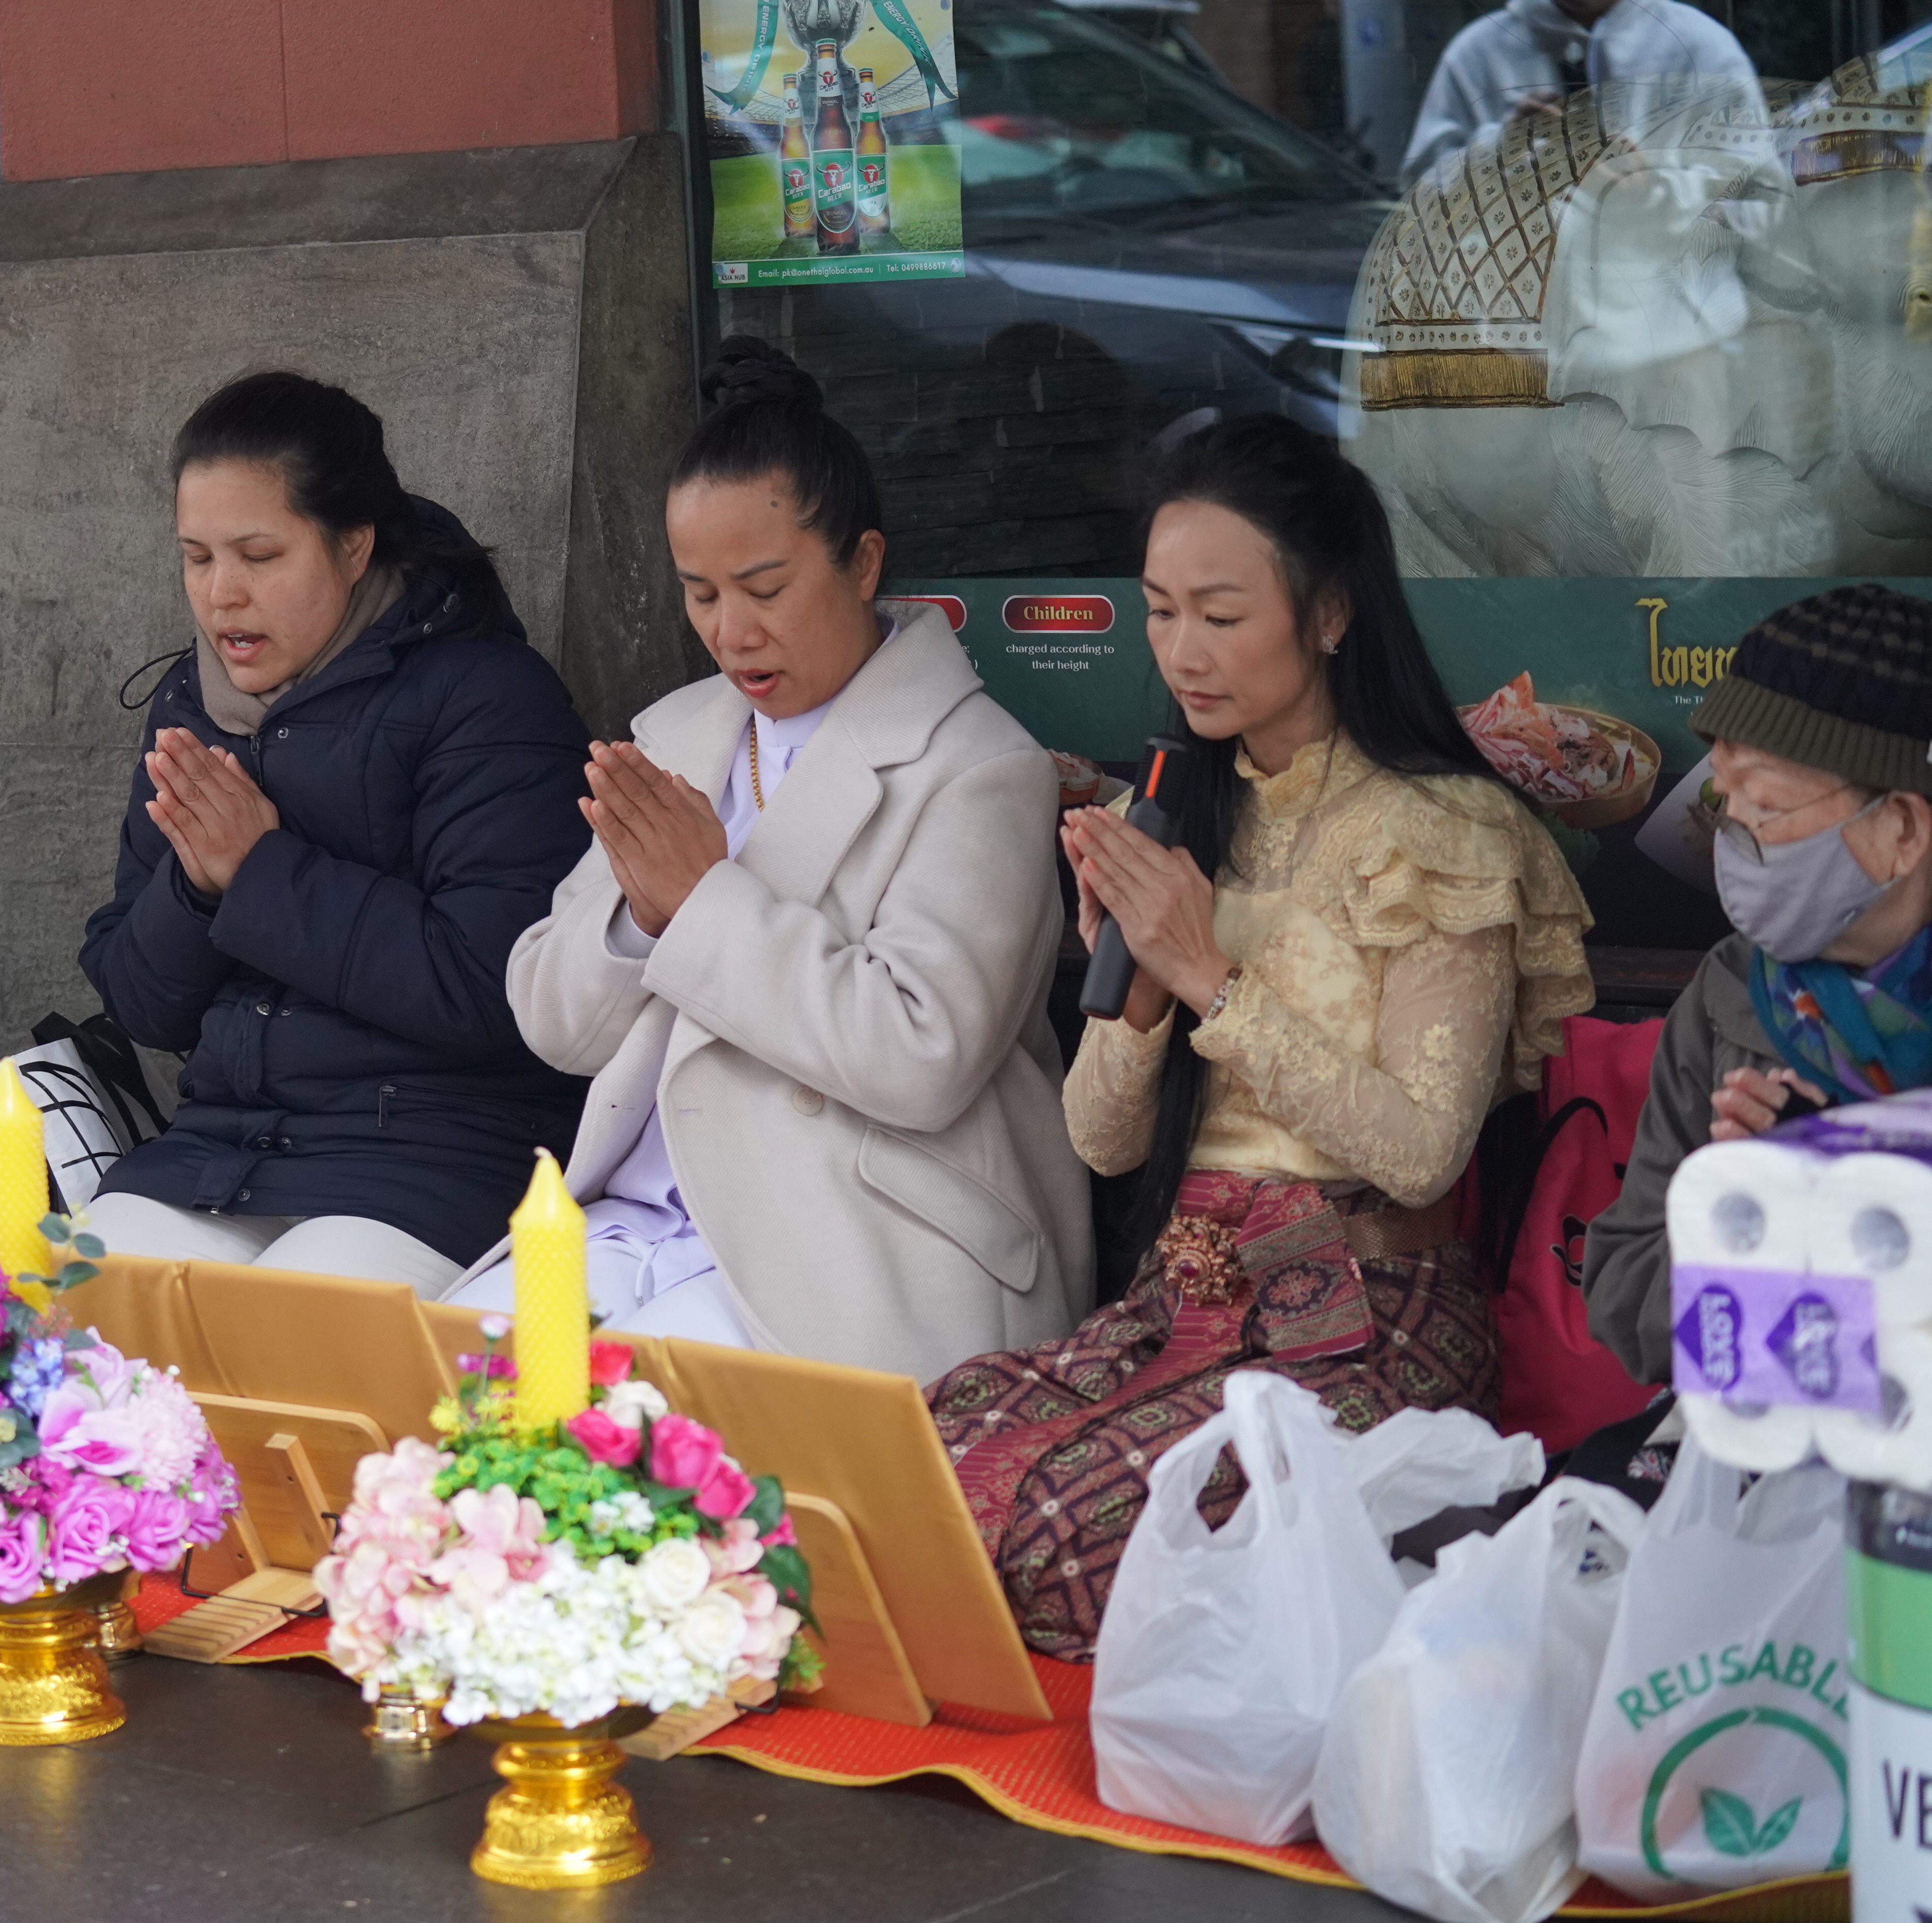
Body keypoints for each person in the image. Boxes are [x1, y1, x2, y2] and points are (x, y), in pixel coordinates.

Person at [928, 413, 1594, 1661]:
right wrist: (1134, 1000)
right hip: (1186, 1296)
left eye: (1221, 615)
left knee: (1053, 1537)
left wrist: (1208, 975)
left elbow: (1419, 1152)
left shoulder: (1440, 832)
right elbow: (1105, 1143)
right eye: (1160, 609)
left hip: (1372, 1316)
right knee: (921, 1458)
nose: (1183, 651)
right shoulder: (1176, 810)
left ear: (1330, 612)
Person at [465, 338, 1088, 1374]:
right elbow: (551, 1019)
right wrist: (644, 917)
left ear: (866, 562)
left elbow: (919, 1052)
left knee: (606, 1456)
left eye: (764, 586)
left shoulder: (980, 765)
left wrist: (702, 902)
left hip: (850, 1236)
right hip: (630, 1220)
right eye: (700, 593)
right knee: (450, 1405)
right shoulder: (676, 732)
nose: (731, 630)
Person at [75, 371, 592, 1296]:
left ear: (354, 546)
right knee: (67, 1335)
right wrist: (198, 889)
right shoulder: (192, 706)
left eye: (259, 555)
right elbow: (144, 1007)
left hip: (435, 1155)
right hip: (222, 1148)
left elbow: (497, 991)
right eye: (196, 558)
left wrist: (262, 872)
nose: (222, 595)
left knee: (289, 1351)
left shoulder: (489, 696)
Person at [1583, 586, 1932, 1382]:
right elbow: (1623, 1296)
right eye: (1724, 798)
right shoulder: (1735, 991)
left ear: (1903, 829)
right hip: (1770, 1458)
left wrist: (1855, 1207)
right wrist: (1747, 1220)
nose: (1728, 840)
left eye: (1766, 806)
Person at [1400, 0, 1759, 189]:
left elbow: (1761, 197)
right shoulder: (1475, 54)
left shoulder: (1701, 48)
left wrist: (1656, 194)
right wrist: (1500, 148)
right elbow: (1418, 195)